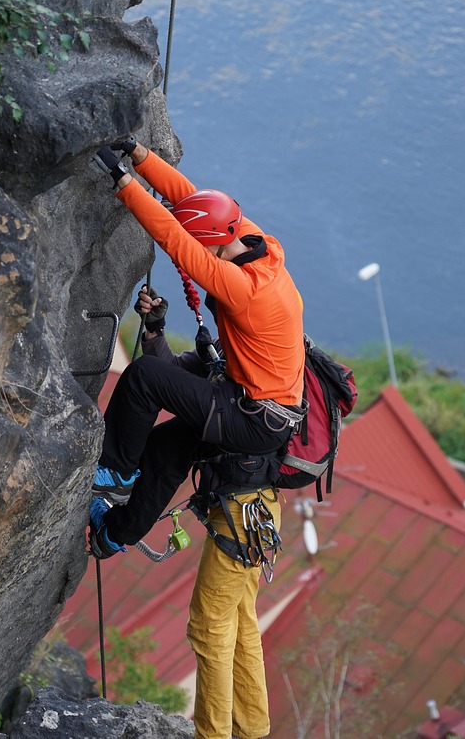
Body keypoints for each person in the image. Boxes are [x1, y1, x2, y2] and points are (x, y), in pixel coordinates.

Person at [89, 138, 305, 739]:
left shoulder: (244, 289)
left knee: (212, 629)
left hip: (250, 425)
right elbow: (192, 207)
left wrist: (126, 183)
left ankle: (112, 476)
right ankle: (116, 530)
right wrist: (139, 153)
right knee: (167, 446)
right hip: (254, 409)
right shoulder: (258, 244)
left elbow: (176, 240)